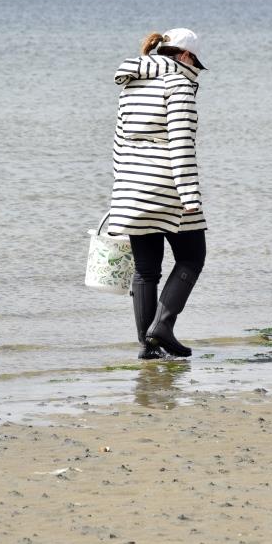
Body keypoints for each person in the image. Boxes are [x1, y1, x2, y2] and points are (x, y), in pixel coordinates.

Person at [108, 27, 207, 360]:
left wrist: (121, 192)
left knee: (146, 270)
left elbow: (119, 143)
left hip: (131, 187)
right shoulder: (178, 84)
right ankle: (162, 328)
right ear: (184, 56)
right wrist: (190, 197)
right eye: (195, 61)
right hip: (168, 188)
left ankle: (147, 347)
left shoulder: (131, 84)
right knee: (193, 257)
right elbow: (181, 143)